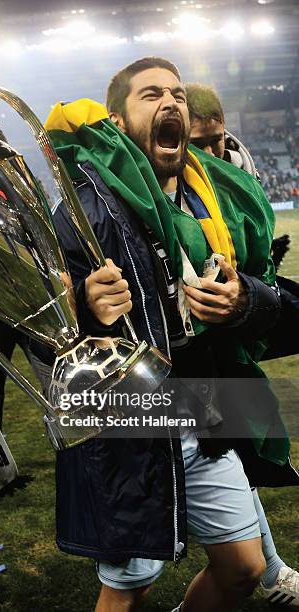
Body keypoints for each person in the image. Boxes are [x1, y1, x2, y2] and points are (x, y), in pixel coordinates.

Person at [43, 57, 298, 611]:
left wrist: (242, 298)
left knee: (244, 569)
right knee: (129, 587)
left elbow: (266, 286)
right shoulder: (88, 205)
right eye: (152, 94)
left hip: (205, 400)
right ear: (117, 121)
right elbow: (40, 326)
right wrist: (85, 306)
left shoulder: (218, 196)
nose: (172, 104)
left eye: (178, 94)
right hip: (131, 414)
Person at [186, 81, 299, 608]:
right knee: (129, 568)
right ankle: (271, 572)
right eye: (198, 143)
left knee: (241, 455)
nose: (211, 154)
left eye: (217, 141)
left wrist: (260, 279)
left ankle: (272, 570)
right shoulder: (157, 185)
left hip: (226, 354)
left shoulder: (237, 161)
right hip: (178, 373)